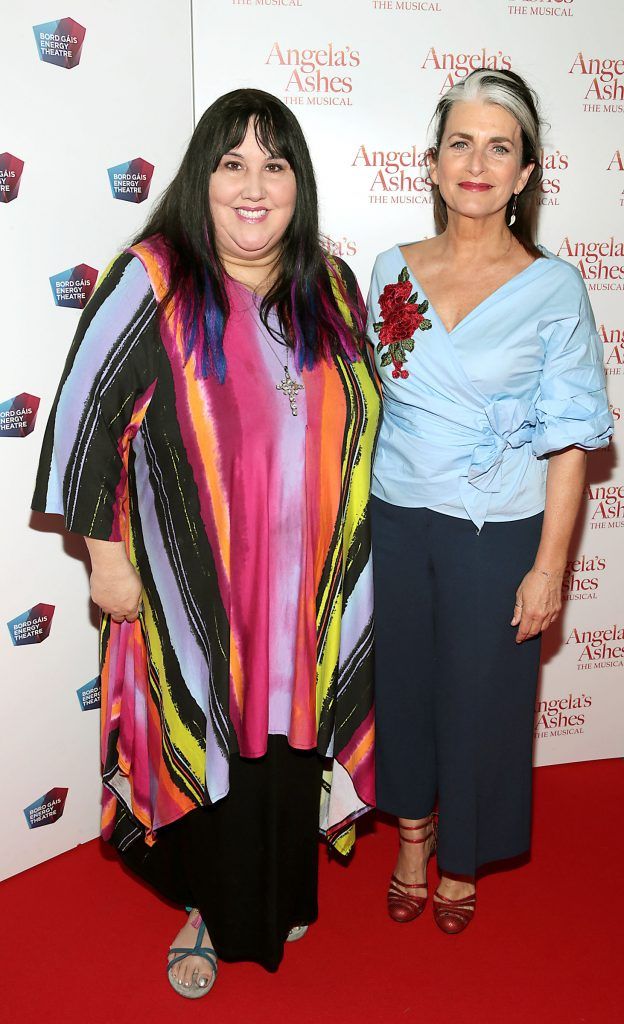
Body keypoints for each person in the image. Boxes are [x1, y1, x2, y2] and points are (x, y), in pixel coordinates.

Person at [32, 88, 380, 993]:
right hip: (198, 595)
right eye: (232, 164)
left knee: (284, 751)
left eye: (276, 164)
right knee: (207, 736)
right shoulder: (152, 280)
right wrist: (108, 564)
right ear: (202, 178)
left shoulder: (331, 287)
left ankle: (273, 896)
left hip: (304, 596)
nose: (254, 186)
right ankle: (203, 906)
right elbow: (80, 423)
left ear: (300, 184)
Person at [366, 68, 613, 935]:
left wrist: (549, 568)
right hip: (391, 522)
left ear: (525, 172)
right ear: (431, 164)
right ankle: (410, 834)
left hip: (495, 532)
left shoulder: (555, 291)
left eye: (498, 147)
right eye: (460, 143)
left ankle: (462, 859)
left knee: (482, 699)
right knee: (398, 689)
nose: (476, 162)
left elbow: (574, 443)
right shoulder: (388, 270)